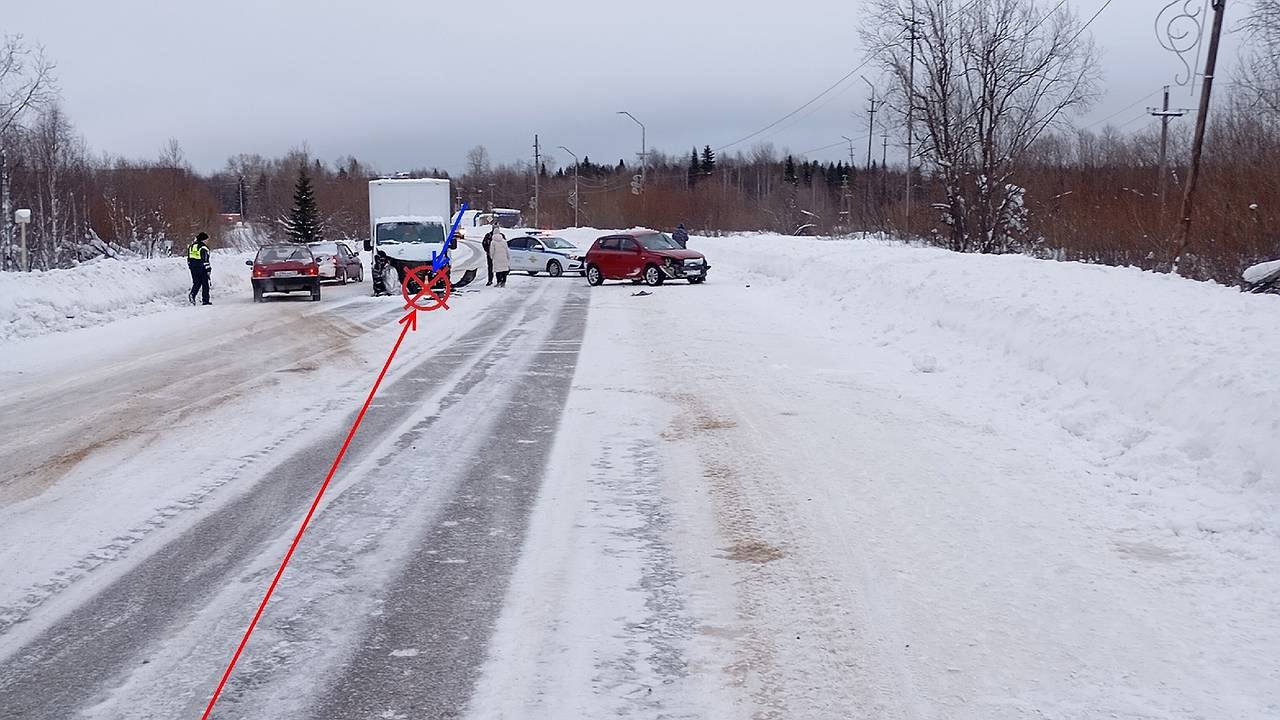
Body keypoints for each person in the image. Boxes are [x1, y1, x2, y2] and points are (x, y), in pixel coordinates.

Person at [187, 232, 212, 305]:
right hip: (201, 267)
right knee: (205, 284)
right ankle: (205, 300)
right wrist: (208, 269)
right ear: (203, 240)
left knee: (197, 283)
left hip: (193, 267)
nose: (207, 241)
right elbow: (205, 260)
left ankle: (192, 294)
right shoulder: (204, 248)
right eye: (207, 240)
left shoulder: (191, 246)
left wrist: (190, 266)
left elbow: (188, 258)